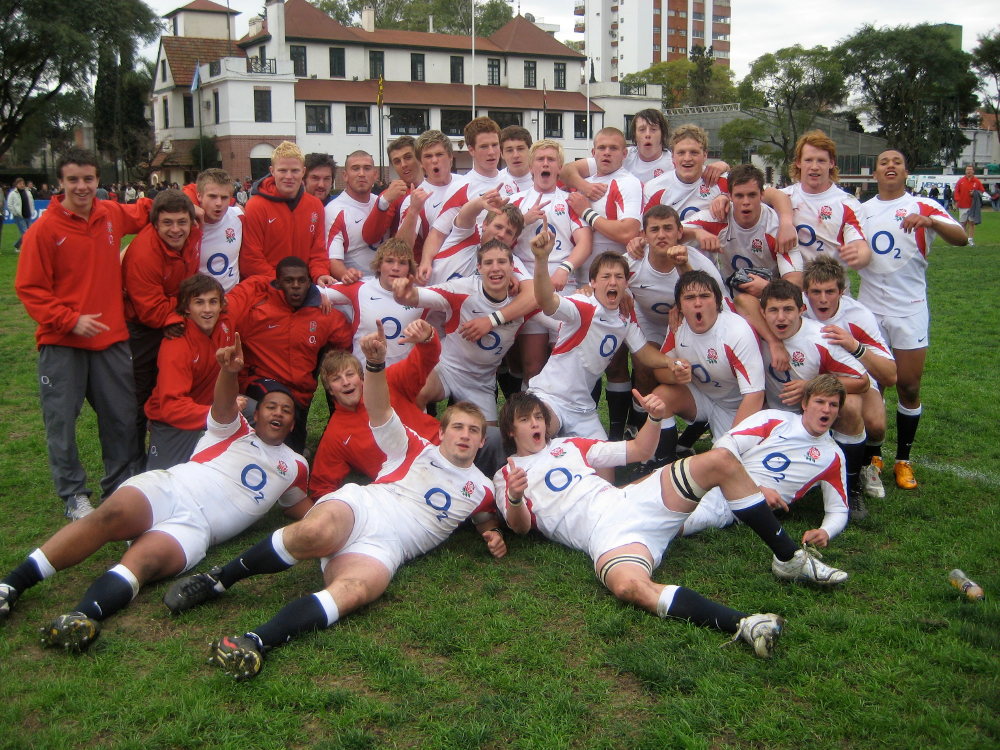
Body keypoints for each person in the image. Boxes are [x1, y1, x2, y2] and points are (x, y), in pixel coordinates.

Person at [165, 322, 505, 681]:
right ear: (441, 432)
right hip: (365, 508)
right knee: (315, 533)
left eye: (473, 431)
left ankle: (255, 641)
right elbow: (379, 412)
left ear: (483, 441)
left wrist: (492, 533)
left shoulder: (483, 488)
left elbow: (487, 518)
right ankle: (220, 579)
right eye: (458, 427)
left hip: (388, 547)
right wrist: (374, 365)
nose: (464, 436)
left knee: (357, 591)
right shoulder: (414, 448)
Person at [0, 335, 311, 650]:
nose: (279, 413)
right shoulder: (232, 429)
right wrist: (229, 372)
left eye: (286, 410)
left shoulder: (297, 466)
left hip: (196, 529)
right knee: (109, 516)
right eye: (271, 406)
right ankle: (11, 585)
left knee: (143, 565)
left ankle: (81, 618)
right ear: (256, 415)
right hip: (171, 488)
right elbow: (223, 403)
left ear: (291, 423)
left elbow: (300, 508)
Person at [495, 389, 844, 659]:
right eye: (526, 420)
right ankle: (746, 624)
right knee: (628, 587)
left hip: (628, 500)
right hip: (608, 537)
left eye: (539, 417)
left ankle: (790, 559)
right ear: (511, 429)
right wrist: (513, 497)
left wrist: (654, 418)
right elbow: (521, 528)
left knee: (720, 460)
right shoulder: (504, 476)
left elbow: (638, 451)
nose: (536, 424)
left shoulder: (569, 445)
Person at [15, 149, 153, 519]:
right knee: (61, 423)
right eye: (73, 179)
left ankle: (120, 488)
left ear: (98, 181)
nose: (81, 186)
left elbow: (145, 211)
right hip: (62, 344)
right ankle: (74, 495)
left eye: (88, 179)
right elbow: (30, 289)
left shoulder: (109, 213)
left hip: (110, 341)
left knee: (121, 419)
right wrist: (69, 319)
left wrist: (194, 197)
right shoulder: (44, 230)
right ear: (60, 183)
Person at [858, 150, 967, 490]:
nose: (890, 165)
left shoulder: (923, 205)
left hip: (910, 308)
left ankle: (902, 460)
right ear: (874, 172)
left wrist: (931, 222)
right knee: (872, 385)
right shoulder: (862, 211)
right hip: (870, 310)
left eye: (897, 162)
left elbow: (961, 238)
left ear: (906, 171)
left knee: (908, 385)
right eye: (884, 162)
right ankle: (873, 454)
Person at [527, 230, 687, 445]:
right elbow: (546, 300)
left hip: (584, 408)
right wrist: (541, 258)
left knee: (605, 471)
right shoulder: (583, 305)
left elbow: (644, 353)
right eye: (606, 277)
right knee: (540, 434)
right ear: (592, 282)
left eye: (619, 277)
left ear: (626, 283)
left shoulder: (625, 318)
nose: (613, 282)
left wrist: (670, 362)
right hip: (551, 397)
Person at [679, 374, 851, 551]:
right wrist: (757, 487)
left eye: (833, 405)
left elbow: (838, 510)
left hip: (731, 504)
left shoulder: (833, 457)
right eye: (820, 402)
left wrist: (825, 532)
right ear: (805, 404)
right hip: (714, 475)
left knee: (673, 522)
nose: (826, 410)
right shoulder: (775, 419)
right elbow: (725, 443)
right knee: (654, 491)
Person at [392, 240, 540, 424]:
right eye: (488, 263)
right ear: (479, 267)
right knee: (415, 392)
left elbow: (548, 304)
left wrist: (491, 321)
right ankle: (423, 444)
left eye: (501, 262)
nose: (495, 268)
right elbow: (418, 296)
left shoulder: (521, 303)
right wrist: (404, 294)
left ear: (512, 267)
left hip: (480, 383)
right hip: (446, 368)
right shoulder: (463, 289)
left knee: (489, 440)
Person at [758, 279, 870, 518]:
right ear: (762, 312)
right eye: (773, 310)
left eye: (788, 309)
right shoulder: (756, 330)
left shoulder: (820, 337)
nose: (781, 318)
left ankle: (852, 486)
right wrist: (774, 342)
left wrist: (811, 387)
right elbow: (740, 300)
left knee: (850, 405)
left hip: (812, 416)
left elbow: (862, 381)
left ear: (802, 310)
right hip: (773, 416)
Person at [802, 256, 897, 506]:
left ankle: (860, 469)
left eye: (830, 291)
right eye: (816, 291)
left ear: (841, 292)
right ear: (805, 291)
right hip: (804, 376)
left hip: (851, 378)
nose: (823, 299)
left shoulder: (858, 315)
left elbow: (890, 375)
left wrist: (854, 346)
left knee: (875, 424)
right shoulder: (795, 307)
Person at [624, 205, 725, 440]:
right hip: (649, 320)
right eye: (655, 229)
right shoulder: (633, 261)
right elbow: (605, 280)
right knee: (644, 367)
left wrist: (683, 265)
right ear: (644, 235)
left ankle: (695, 427)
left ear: (680, 232)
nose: (661, 235)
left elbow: (719, 307)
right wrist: (617, 292)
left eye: (668, 228)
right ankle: (640, 425)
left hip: (687, 324)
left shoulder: (698, 262)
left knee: (697, 368)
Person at [234, 256, 351, 454]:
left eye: (301, 280)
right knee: (279, 407)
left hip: (301, 393)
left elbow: (347, 342)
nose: (296, 286)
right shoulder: (257, 310)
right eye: (289, 281)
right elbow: (226, 331)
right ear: (278, 283)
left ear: (309, 282)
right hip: (260, 381)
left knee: (294, 449)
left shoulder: (323, 314)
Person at [648, 271, 765, 467]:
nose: (697, 303)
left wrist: (730, 442)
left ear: (717, 303)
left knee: (732, 468)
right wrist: (676, 374)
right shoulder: (678, 325)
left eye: (704, 296)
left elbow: (755, 395)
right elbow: (660, 372)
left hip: (737, 406)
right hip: (705, 397)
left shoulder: (736, 332)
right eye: (689, 297)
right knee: (661, 396)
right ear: (680, 307)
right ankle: (663, 464)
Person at [121, 189, 202, 464]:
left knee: (175, 392)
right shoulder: (144, 254)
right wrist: (187, 306)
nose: (176, 229)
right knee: (138, 400)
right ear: (155, 224)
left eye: (182, 221)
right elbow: (152, 313)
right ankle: (133, 465)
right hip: (143, 331)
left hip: (178, 319)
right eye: (167, 223)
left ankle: (172, 452)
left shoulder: (194, 233)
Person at [418, 118, 518, 282]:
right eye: (484, 147)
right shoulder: (462, 186)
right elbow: (438, 233)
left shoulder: (511, 183)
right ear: (471, 150)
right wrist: (426, 262)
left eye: (494, 145)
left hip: (500, 267)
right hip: (467, 268)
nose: (491, 152)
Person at [320, 238, 427, 368]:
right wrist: (320, 292)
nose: (395, 268)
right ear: (379, 265)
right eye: (389, 261)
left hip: (403, 380)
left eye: (402, 263)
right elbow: (312, 291)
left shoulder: (422, 296)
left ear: (409, 269)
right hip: (364, 378)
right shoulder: (360, 288)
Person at [781, 131, 871, 274]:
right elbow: (761, 194)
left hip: (831, 292)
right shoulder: (783, 197)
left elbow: (860, 246)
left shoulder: (847, 203)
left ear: (831, 163)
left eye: (821, 160)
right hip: (793, 291)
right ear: (798, 162)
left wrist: (859, 256)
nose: (814, 166)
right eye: (808, 160)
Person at [239, 141, 329, 281]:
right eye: (282, 170)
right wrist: (282, 284)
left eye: (295, 170)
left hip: (303, 287)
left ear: (303, 172)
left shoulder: (315, 205)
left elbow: (318, 252)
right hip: (267, 287)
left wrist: (321, 274)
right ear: (272, 171)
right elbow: (250, 260)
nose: (288, 176)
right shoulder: (255, 206)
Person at [324, 150, 379, 283]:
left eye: (367, 168)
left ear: (375, 175)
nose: (361, 174)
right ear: (345, 176)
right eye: (355, 169)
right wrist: (346, 274)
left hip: (386, 284)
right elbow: (333, 260)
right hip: (354, 286)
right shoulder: (334, 210)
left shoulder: (382, 203)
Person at [194, 169, 244, 292]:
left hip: (233, 298)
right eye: (212, 196)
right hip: (203, 302)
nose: (219, 203)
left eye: (224, 197)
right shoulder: (188, 226)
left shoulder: (239, 216)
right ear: (199, 196)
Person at [498, 125, 534, 193]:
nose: (515, 155)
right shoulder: (496, 182)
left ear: (530, 150)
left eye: (520, 149)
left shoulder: (543, 180)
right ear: (502, 154)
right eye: (509, 150)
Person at [953, 165, 983, 246]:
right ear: (965, 171)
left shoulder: (977, 181)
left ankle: (970, 239)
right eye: (967, 169)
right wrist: (958, 200)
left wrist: (975, 193)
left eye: (970, 169)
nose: (969, 171)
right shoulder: (961, 181)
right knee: (963, 223)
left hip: (972, 206)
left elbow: (981, 191)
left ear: (973, 171)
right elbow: (956, 191)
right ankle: (962, 239)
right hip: (963, 205)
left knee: (971, 222)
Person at [8, 177, 35, 252]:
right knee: (26, 233)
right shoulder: (13, 194)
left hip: (28, 214)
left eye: (23, 184)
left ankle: (17, 245)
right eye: (20, 184)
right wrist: (15, 212)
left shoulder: (28, 192)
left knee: (28, 233)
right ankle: (28, 248)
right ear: (16, 185)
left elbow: (31, 202)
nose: (22, 185)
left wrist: (32, 210)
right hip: (19, 216)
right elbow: (10, 204)